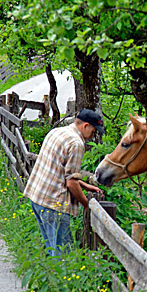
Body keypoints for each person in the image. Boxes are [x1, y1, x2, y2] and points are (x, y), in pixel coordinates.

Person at [24, 109, 104, 257]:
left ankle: (51, 278)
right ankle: (64, 281)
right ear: (85, 126)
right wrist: (86, 204)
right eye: (93, 131)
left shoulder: (58, 132)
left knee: (52, 248)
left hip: (37, 197)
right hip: (54, 204)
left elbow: (58, 170)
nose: (93, 136)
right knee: (63, 257)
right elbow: (71, 183)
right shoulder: (76, 144)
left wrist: (85, 185)